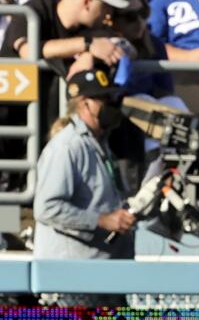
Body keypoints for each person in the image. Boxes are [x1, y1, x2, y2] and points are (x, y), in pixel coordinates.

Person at [32, 63, 137, 262]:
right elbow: (47, 208)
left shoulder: (100, 143)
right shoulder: (67, 146)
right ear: (84, 104)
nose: (111, 105)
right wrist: (102, 220)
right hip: (72, 276)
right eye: (104, 100)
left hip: (101, 270)